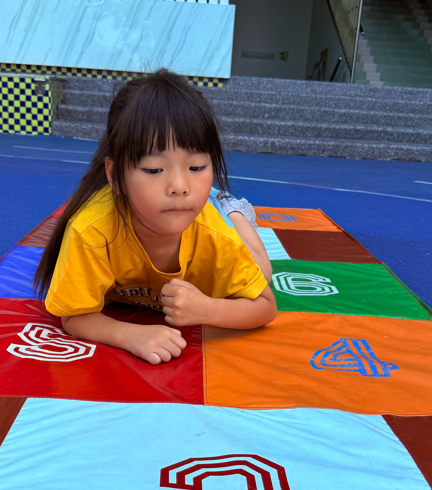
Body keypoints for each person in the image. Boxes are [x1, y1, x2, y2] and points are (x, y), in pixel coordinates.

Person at [33, 70, 276, 366]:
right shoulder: (93, 231)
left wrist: (209, 309)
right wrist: (129, 335)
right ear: (116, 176)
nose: (179, 186)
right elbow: (72, 315)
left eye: (197, 167)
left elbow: (265, 306)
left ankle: (231, 208)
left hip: (212, 215)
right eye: (153, 170)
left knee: (263, 272)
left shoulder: (212, 235)